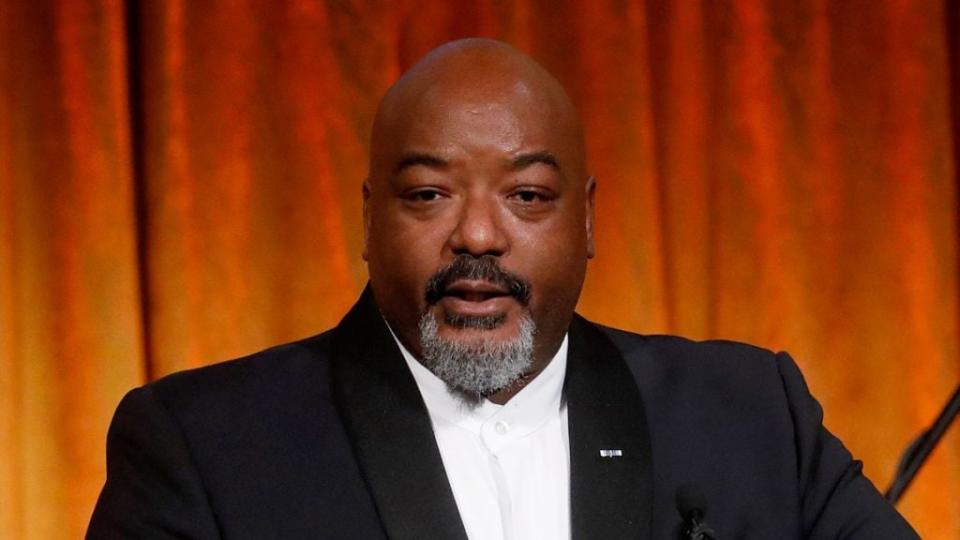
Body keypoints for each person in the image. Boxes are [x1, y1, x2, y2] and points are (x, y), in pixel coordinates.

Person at [87, 38, 918, 539]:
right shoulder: (206, 447)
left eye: (527, 196)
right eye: (428, 194)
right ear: (370, 222)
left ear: (586, 221)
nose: (478, 236)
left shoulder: (746, 415)